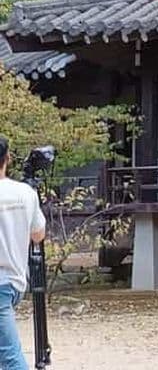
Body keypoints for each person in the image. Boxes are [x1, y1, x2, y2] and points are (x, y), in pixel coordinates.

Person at [0, 137, 46, 370]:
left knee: (10, 358)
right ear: (7, 158)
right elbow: (38, 235)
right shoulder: (25, 193)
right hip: (14, 281)